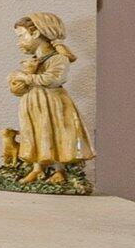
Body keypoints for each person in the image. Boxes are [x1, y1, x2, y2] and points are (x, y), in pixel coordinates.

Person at [7, 12, 94, 186]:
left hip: (53, 104)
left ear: (36, 34)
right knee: (36, 133)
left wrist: (26, 78)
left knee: (56, 132)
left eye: (22, 36)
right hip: (33, 103)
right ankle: (37, 168)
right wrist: (20, 80)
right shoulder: (33, 61)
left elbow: (53, 79)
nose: (19, 42)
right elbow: (19, 89)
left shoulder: (58, 58)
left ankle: (59, 170)